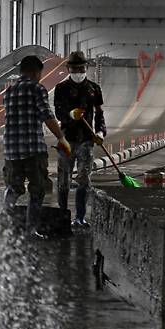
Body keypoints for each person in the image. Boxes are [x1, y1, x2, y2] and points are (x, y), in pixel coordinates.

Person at [3, 55, 71, 238]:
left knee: (13, 188)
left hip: (11, 150)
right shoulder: (37, 89)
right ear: (35, 71)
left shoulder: (9, 91)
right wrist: (61, 138)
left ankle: (6, 226)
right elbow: (47, 116)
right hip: (33, 150)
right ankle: (30, 231)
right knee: (37, 190)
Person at [54, 51, 107, 227]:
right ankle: (63, 215)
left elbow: (99, 114)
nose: (78, 71)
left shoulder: (94, 89)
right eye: (75, 68)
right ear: (68, 68)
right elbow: (59, 113)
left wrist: (100, 132)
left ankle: (80, 217)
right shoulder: (61, 88)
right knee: (63, 179)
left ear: (86, 68)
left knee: (84, 178)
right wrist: (70, 114)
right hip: (66, 140)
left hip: (86, 140)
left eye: (81, 68)